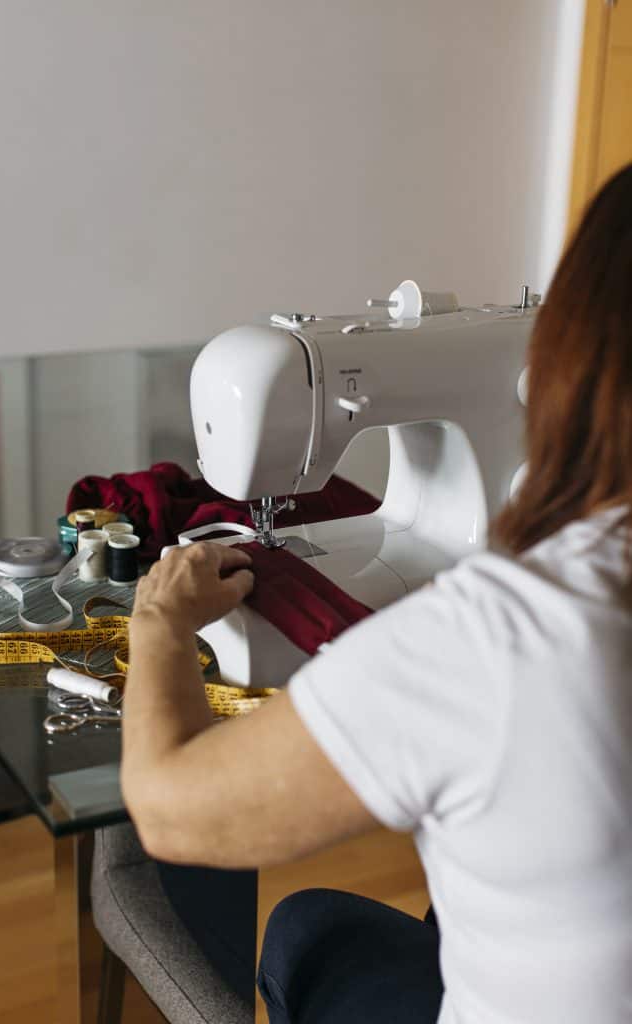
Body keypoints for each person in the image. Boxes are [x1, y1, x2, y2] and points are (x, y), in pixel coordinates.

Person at [121, 164, 632, 1024]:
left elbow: (176, 816)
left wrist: (161, 621)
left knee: (307, 925)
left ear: (573, 348)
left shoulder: (512, 638)